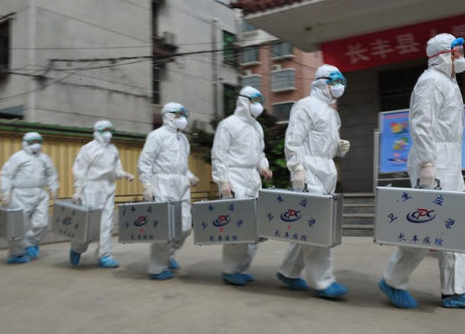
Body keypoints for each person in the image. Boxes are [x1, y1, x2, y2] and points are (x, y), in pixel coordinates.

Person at [378, 34, 465, 309]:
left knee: (459, 224)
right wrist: (427, 163)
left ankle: (455, 290)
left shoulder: (449, 83)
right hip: (433, 160)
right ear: (442, 54)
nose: (461, 56)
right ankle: (393, 280)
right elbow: (421, 124)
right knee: (424, 225)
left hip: (450, 159)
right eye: (456, 52)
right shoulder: (430, 81)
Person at [276, 64, 351, 299]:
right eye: (334, 81)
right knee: (318, 225)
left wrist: (338, 148)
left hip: (326, 168)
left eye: (341, 81)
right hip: (307, 169)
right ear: (321, 82)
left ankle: (288, 271)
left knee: (307, 226)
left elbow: (323, 142)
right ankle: (322, 282)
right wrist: (297, 168)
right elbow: (293, 140)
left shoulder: (331, 112)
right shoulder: (305, 106)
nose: (339, 86)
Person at [211, 86, 273, 286]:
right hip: (234, 176)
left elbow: (260, 152)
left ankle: (243, 267)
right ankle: (230, 270)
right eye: (254, 101)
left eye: (260, 101)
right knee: (237, 227)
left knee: (254, 227)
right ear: (244, 101)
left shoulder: (257, 127)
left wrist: (263, 167)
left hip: (252, 177)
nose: (258, 106)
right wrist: (223, 181)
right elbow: (219, 154)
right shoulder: (228, 124)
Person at [138, 102, 200, 280]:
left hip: (181, 184)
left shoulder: (183, 139)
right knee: (164, 228)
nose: (183, 119)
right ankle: (157, 267)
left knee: (185, 226)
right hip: (162, 183)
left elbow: (181, 165)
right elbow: (145, 161)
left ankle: (168, 254)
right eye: (179, 114)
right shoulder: (156, 136)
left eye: (184, 115)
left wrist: (189, 176)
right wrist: (147, 185)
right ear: (169, 116)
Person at [69, 121, 135, 268]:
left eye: (110, 130)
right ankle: (76, 248)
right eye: (105, 130)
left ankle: (104, 255)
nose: (108, 133)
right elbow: (80, 170)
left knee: (107, 224)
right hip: (91, 189)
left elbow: (116, 170)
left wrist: (124, 174)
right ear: (97, 131)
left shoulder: (113, 150)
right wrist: (78, 189)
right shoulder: (88, 149)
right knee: (87, 225)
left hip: (108, 189)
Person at [0, 132, 59, 264]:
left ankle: (30, 243)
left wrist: (54, 188)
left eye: (38, 142)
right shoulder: (17, 157)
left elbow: (51, 174)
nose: (36, 145)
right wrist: (5, 192)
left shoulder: (44, 158)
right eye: (32, 142)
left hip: (40, 194)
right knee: (18, 225)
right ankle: (17, 254)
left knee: (42, 223)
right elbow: (6, 175)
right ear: (25, 143)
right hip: (20, 194)